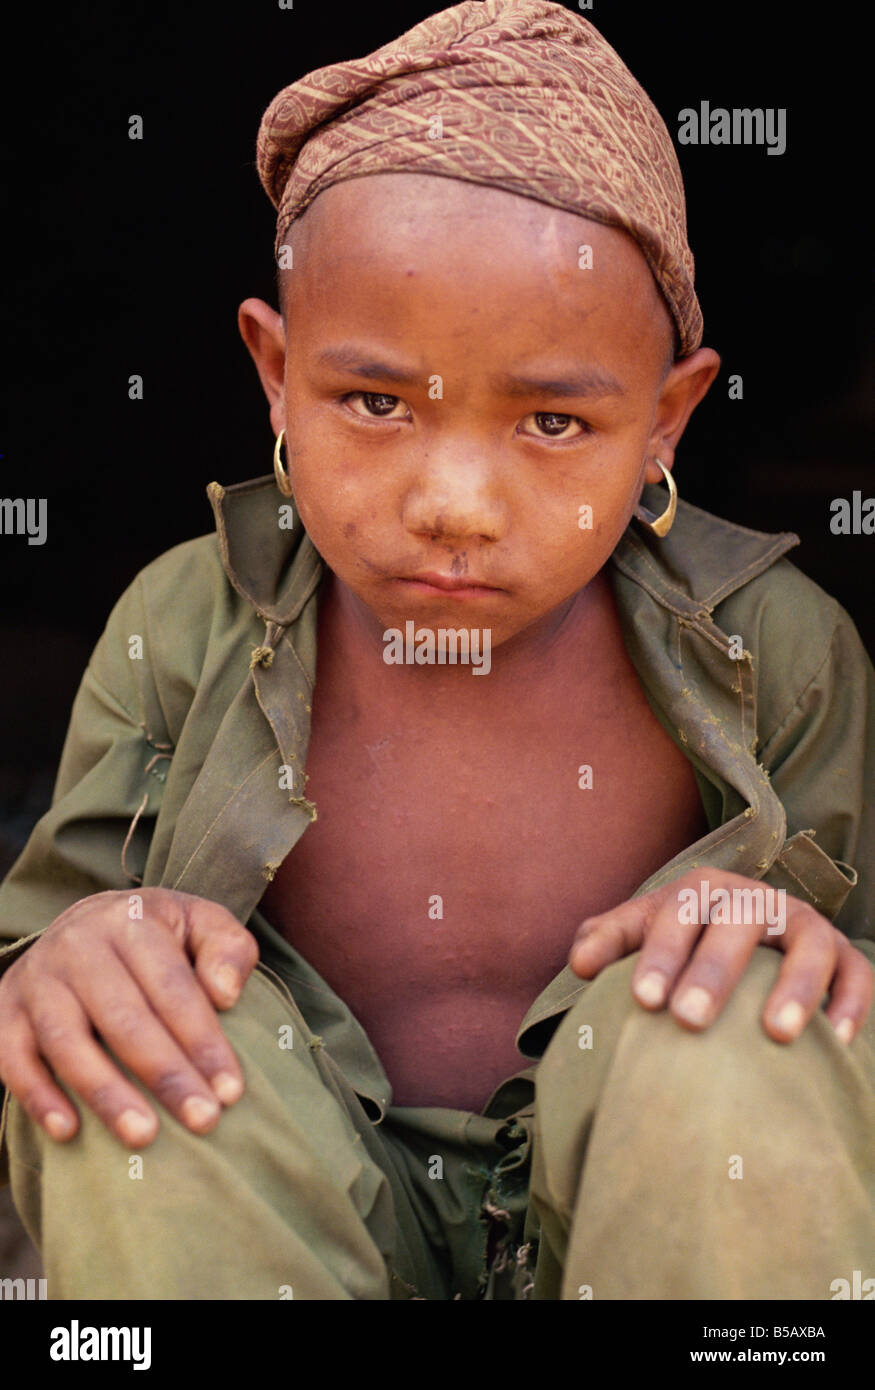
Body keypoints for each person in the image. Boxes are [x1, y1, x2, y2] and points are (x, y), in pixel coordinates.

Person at [0, 0, 872, 1300]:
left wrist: (796, 940)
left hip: (641, 1219)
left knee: (753, 1013)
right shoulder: (184, 620)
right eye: (375, 401)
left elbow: (851, 986)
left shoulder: (780, 646)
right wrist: (70, 954)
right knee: (134, 1032)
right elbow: (43, 946)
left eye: (555, 423)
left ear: (667, 420)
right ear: (274, 372)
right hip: (291, 1216)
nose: (454, 501)